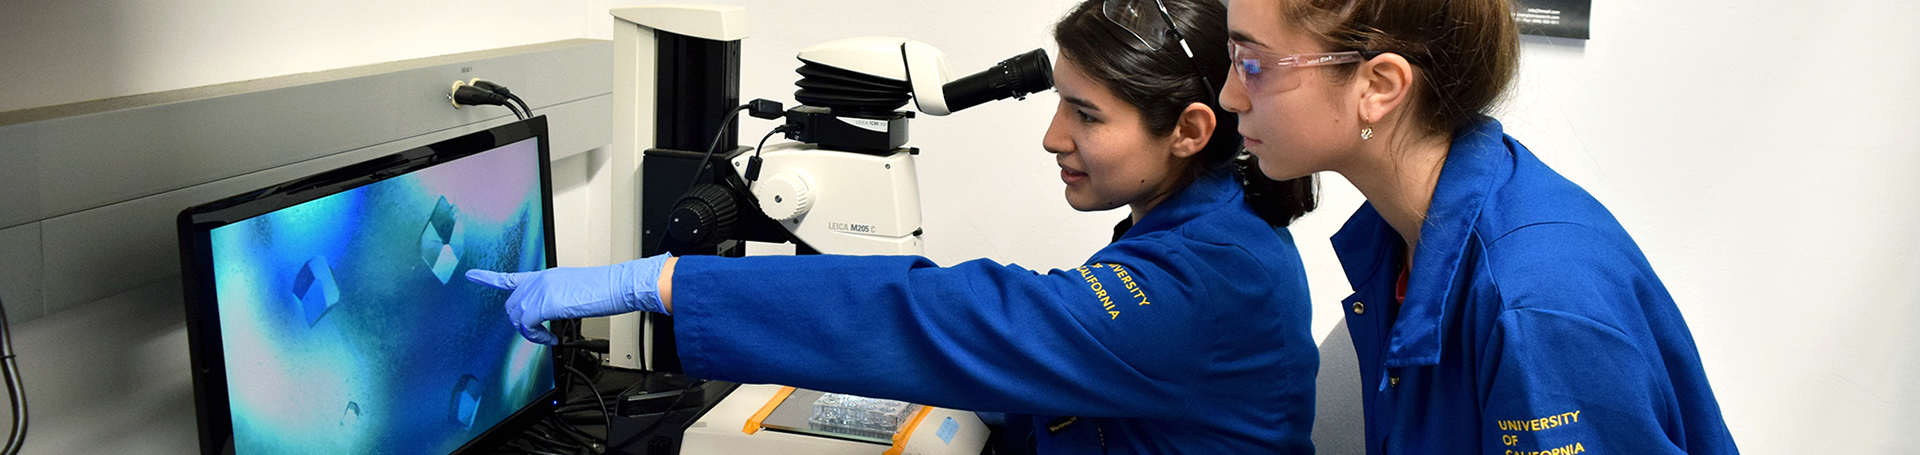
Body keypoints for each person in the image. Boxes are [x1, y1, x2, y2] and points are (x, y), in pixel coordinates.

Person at [468, 0, 1323, 452]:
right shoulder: (1209, 220)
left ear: (1190, 131)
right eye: (1060, 102)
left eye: (1086, 115)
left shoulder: (1213, 278)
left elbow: (965, 315)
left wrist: (654, 280)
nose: (1052, 136)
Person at [1216, 0, 1740, 453]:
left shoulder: (1533, 306)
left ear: (1378, 86)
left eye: (1253, 64)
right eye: (1232, 57)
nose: (1229, 96)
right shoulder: (1403, 234)